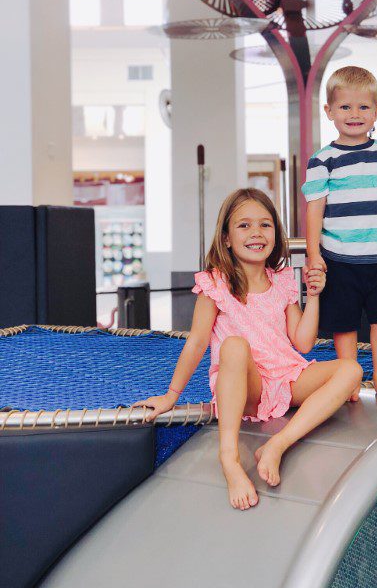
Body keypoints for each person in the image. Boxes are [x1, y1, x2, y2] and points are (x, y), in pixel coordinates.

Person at [134, 188, 363, 511]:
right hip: (247, 385)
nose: (256, 233)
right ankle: (229, 457)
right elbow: (197, 342)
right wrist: (171, 395)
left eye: (265, 225)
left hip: (286, 378)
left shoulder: (282, 281)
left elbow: (303, 343)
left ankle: (277, 445)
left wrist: (312, 296)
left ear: (275, 233)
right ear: (226, 237)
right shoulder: (214, 284)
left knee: (351, 369)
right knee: (234, 345)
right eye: (244, 226)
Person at [301, 66, 377, 401]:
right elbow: (314, 209)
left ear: (376, 111)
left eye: (363, 107)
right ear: (329, 111)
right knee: (344, 325)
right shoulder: (323, 160)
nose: (354, 114)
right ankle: (348, 379)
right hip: (339, 258)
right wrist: (314, 252)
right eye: (345, 107)